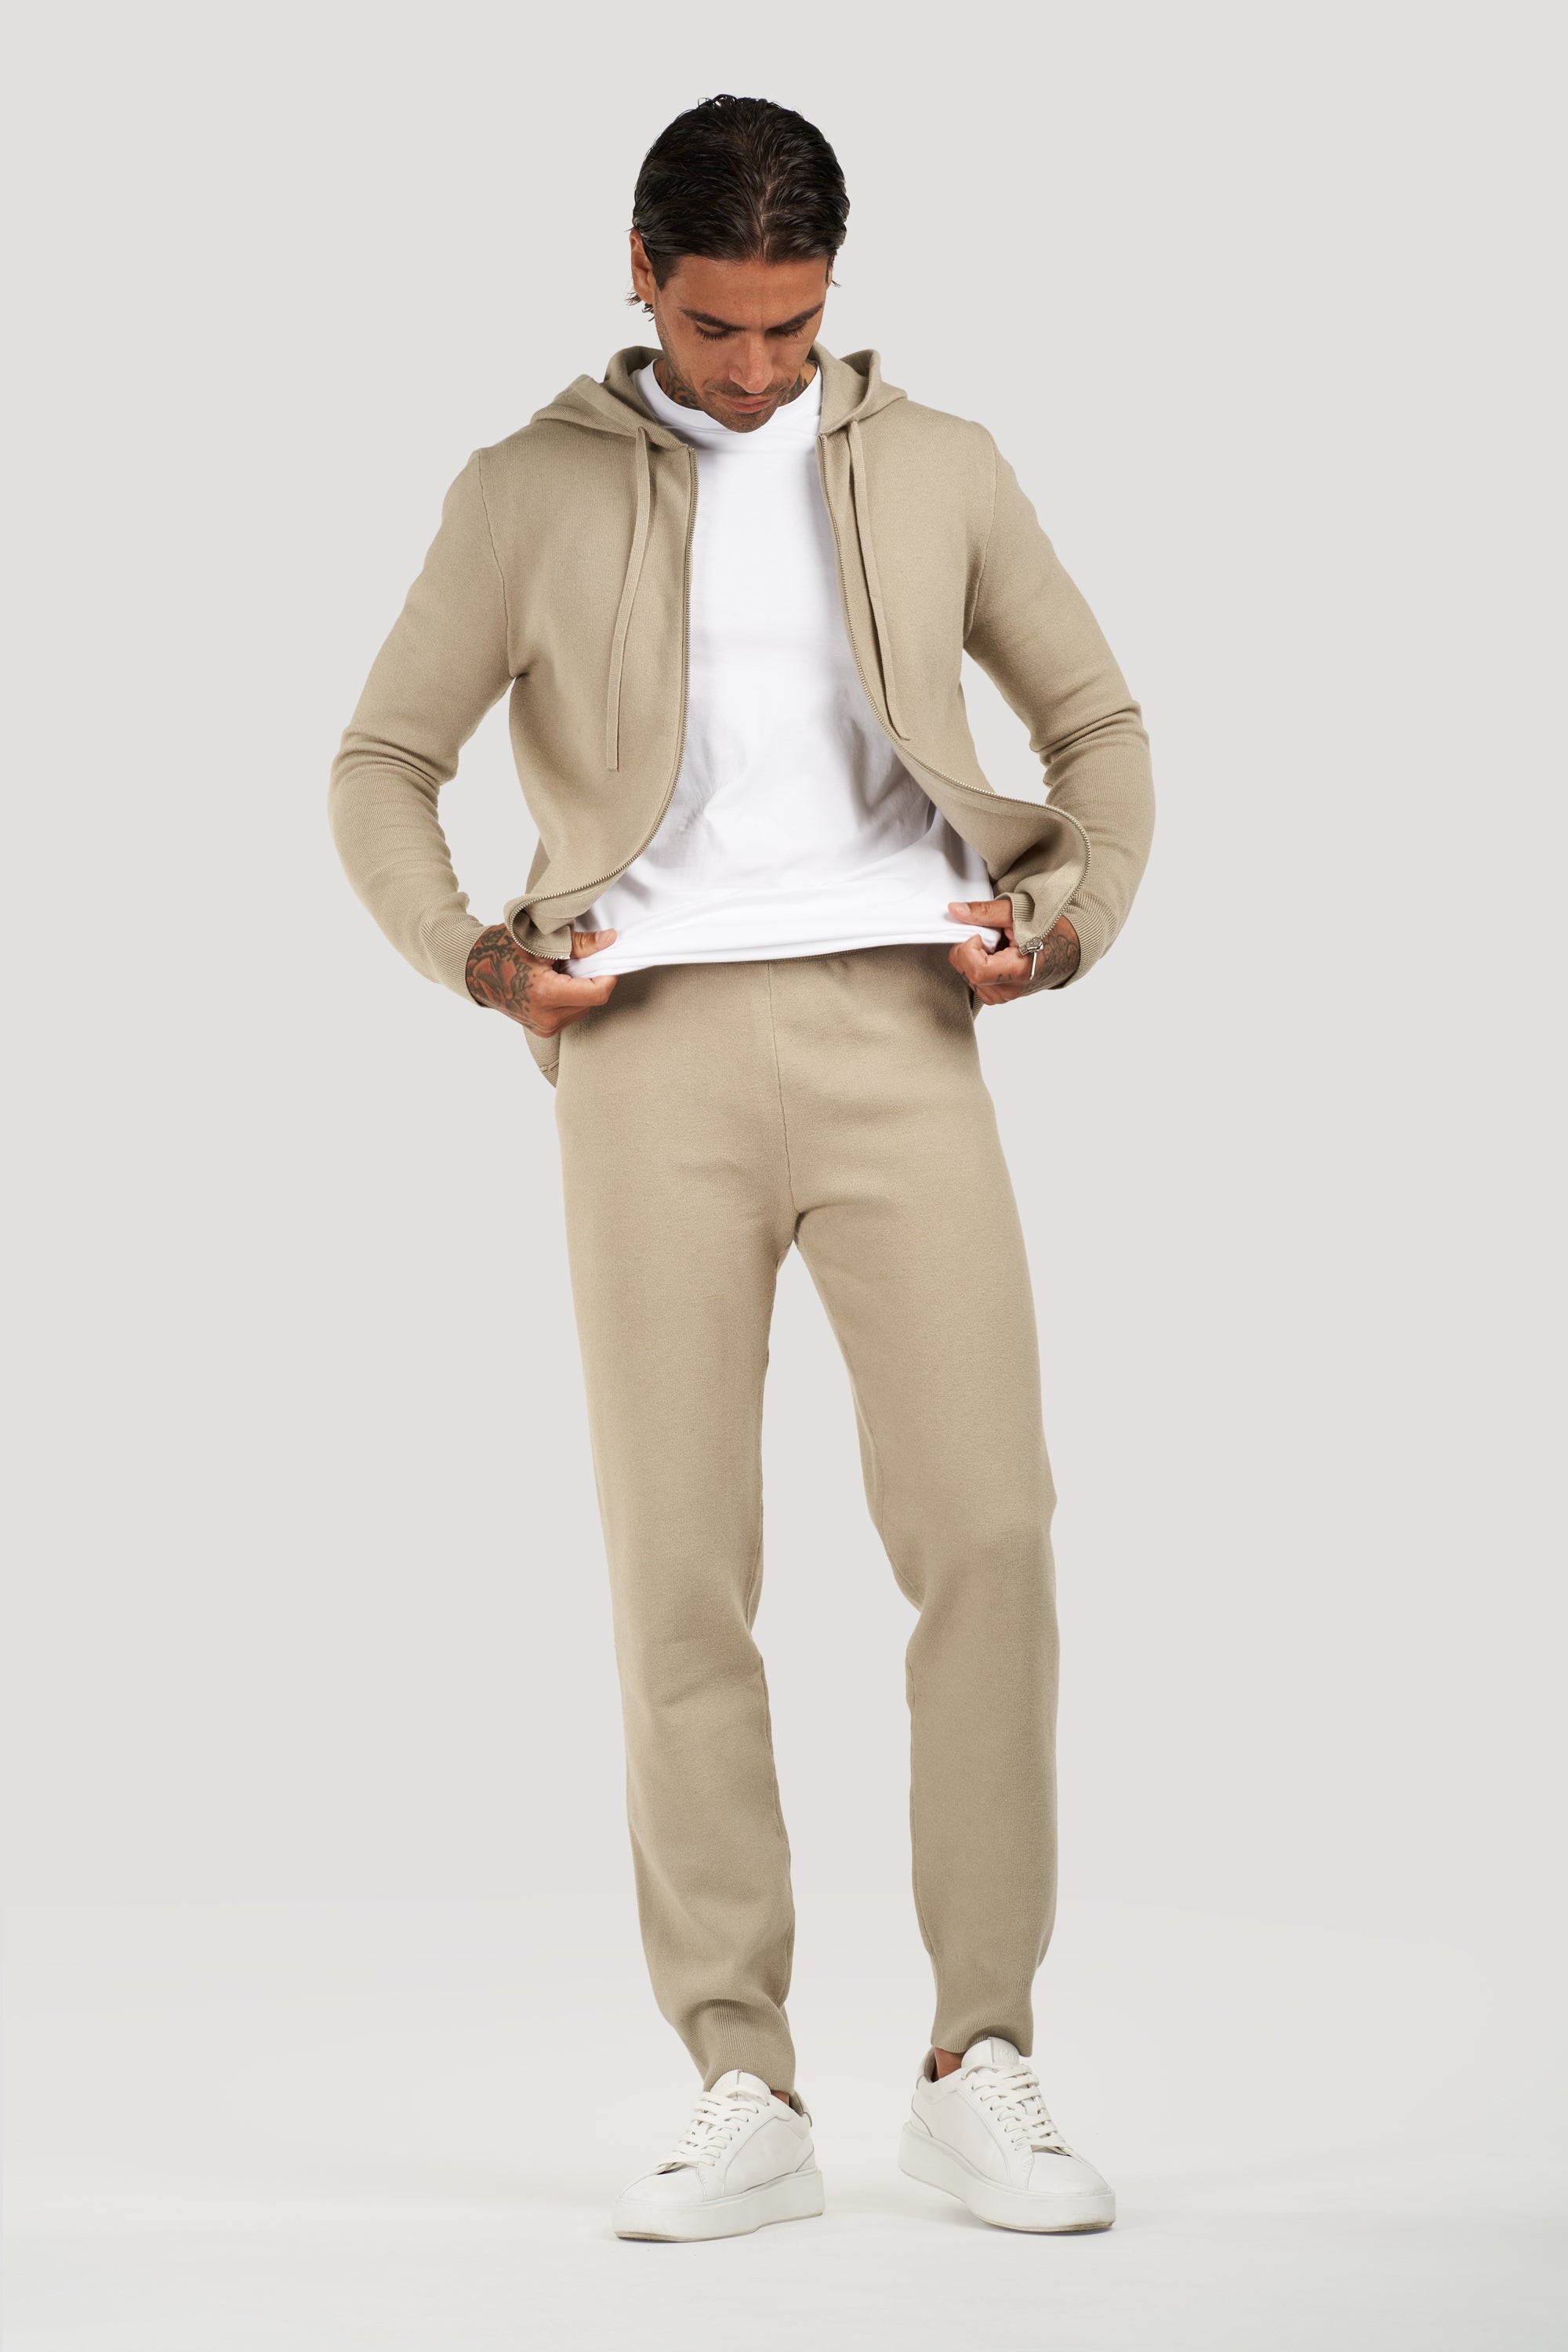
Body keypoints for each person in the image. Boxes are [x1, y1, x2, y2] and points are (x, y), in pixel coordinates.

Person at [328, 93, 1154, 2242]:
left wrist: (1064, 923)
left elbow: (1097, 729)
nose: (762, 369)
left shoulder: (943, 463)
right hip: (646, 1055)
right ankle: (740, 2078)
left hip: (902, 1027)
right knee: (681, 1571)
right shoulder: (524, 490)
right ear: (641, 274)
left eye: (795, 327)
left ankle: (980, 2060)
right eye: (719, 328)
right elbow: (385, 759)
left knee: (991, 1532)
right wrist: (477, 957)